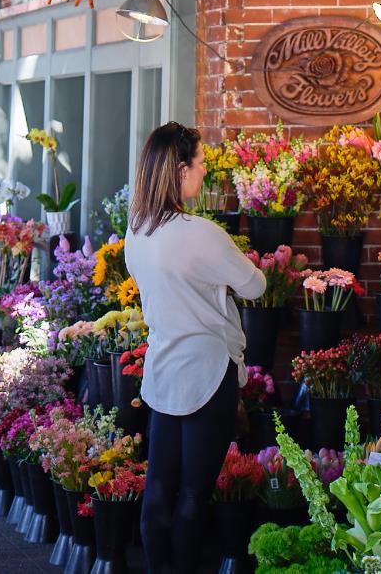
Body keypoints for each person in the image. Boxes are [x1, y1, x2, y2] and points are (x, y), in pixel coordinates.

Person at [125, 122, 266, 574]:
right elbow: (256, 285)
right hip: (208, 371)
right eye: (202, 163)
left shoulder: (137, 231)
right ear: (181, 169)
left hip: (163, 370)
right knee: (192, 493)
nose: (205, 172)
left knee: (160, 487)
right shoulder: (201, 232)